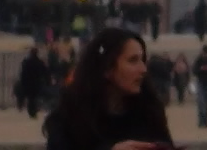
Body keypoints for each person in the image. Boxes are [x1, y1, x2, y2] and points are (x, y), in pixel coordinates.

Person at [41, 26, 173, 150]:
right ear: (107, 68)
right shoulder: (69, 117)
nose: (143, 69)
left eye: (143, 60)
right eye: (133, 61)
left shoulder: (149, 112)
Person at [19, 46, 51, 118]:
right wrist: (48, 81)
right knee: (35, 98)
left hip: (29, 83)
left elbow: (23, 74)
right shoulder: (40, 62)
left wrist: (23, 82)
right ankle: (34, 111)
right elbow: (45, 72)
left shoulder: (27, 62)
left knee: (31, 98)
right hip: (37, 83)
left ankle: (31, 112)